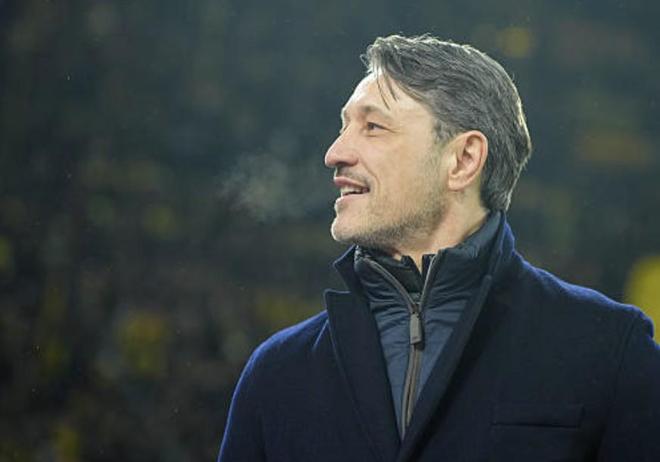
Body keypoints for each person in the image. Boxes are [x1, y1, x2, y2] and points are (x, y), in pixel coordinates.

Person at [218, 34, 660, 461]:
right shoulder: (277, 374)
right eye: (344, 126)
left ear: (463, 160)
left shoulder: (609, 351)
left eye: (373, 127)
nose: (335, 152)